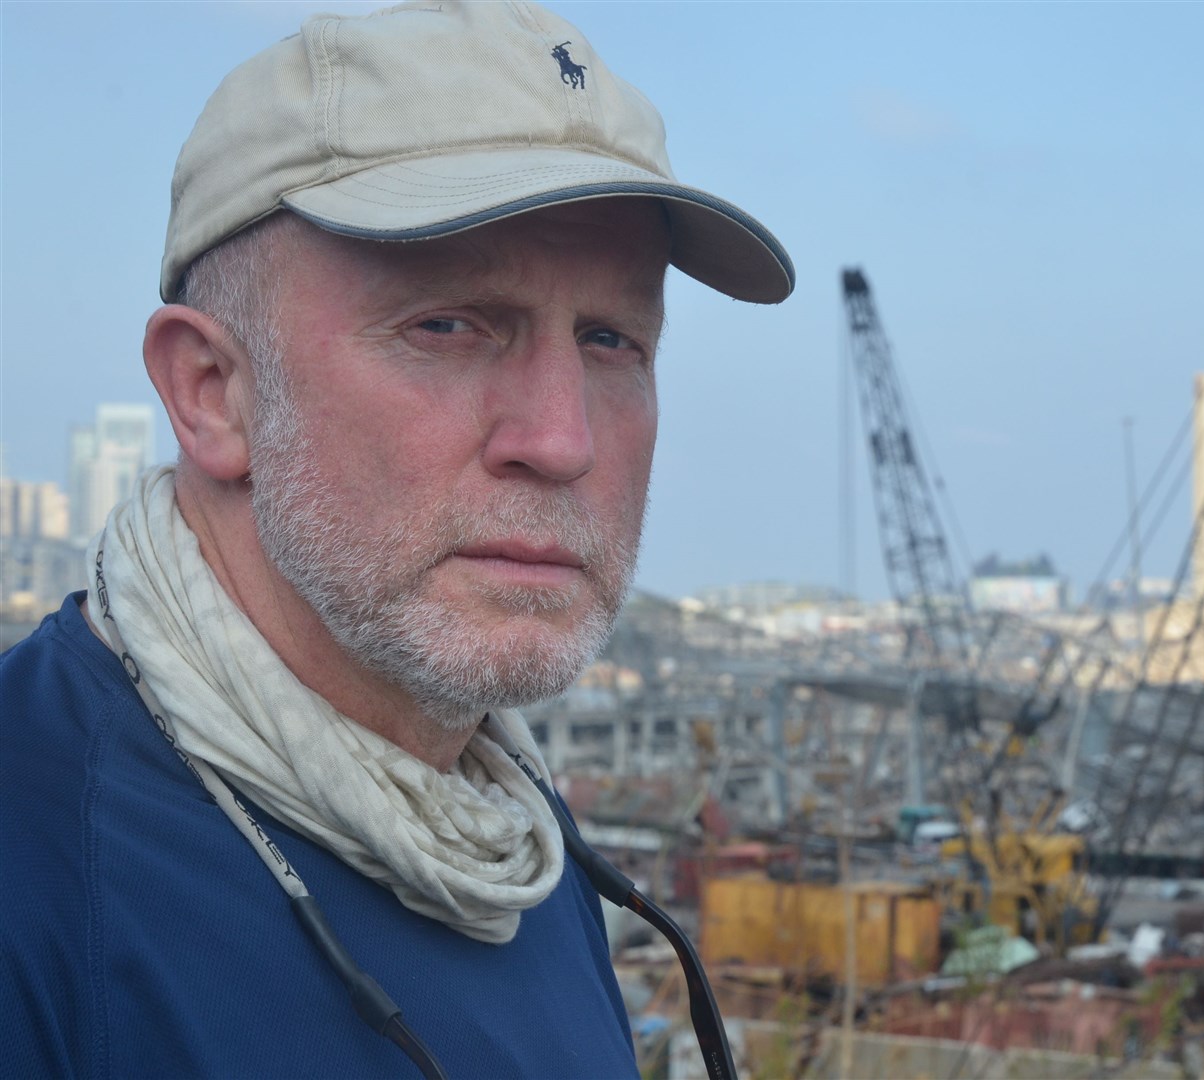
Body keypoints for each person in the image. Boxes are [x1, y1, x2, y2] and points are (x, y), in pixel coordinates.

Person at [0, 2, 793, 1076]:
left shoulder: (518, 851)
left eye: (612, 339)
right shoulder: (37, 880)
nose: (559, 441)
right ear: (214, 392)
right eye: (449, 325)